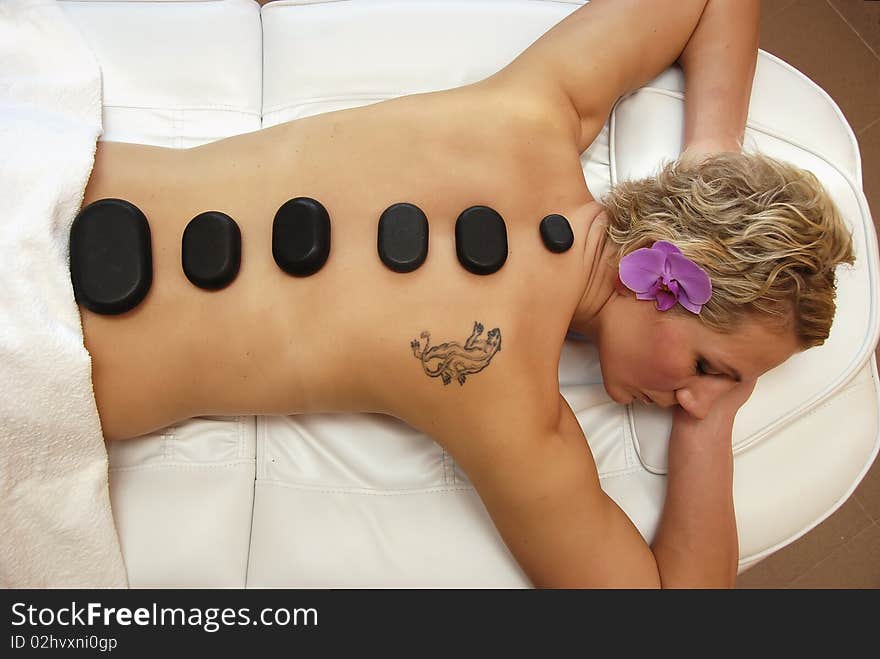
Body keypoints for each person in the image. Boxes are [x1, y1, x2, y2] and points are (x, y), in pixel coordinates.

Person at [77, 0, 854, 587]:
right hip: (45, 354)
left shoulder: (535, 108)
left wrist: (711, 150)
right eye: (713, 368)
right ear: (668, 280)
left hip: (43, 175)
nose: (695, 398)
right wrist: (711, 432)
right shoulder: (506, 402)